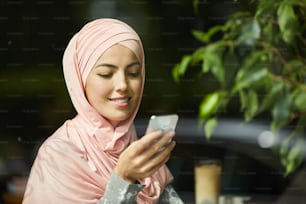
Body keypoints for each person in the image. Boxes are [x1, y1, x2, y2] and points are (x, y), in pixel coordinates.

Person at [22, 18, 184, 204]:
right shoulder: (59, 154)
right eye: (106, 74)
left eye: (133, 73)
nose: (122, 85)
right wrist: (123, 178)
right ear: (81, 79)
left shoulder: (134, 146)